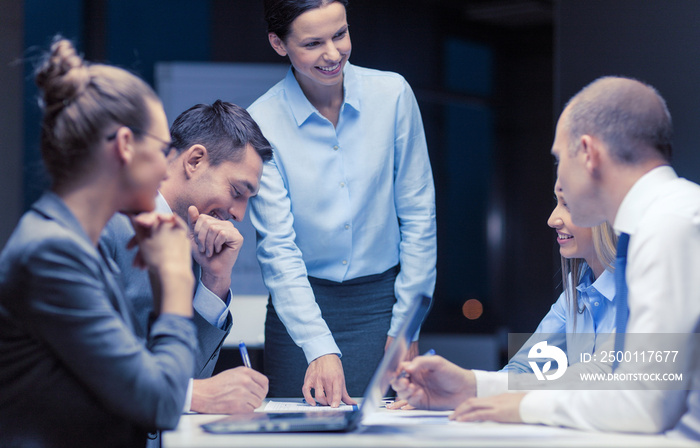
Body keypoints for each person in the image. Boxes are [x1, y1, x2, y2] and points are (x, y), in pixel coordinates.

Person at [393, 76, 700, 441]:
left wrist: (521, 407)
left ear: (588, 153)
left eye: (558, 159)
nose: (558, 184)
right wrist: (471, 386)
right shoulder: (670, 217)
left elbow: (643, 403)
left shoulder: (670, 225)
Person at [0, 37, 196, 447]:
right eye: (163, 149)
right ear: (125, 145)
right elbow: (159, 403)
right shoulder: (50, 253)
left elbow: (133, 387)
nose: (166, 167)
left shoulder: (75, 246)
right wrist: (177, 279)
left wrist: (163, 286)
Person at [247, 0, 437, 406]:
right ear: (279, 44)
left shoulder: (393, 95)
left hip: (381, 306)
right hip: (299, 308)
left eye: (340, 34)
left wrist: (408, 325)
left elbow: (419, 214)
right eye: (313, 43)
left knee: (382, 430)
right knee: (298, 431)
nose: (333, 54)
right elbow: (278, 246)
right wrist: (316, 344)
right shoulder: (261, 122)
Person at [101, 101, 272, 419]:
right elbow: (87, 364)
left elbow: (191, 376)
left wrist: (215, 282)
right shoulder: (106, 223)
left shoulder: (193, 246)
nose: (239, 214)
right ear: (194, 160)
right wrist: (191, 394)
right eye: (237, 191)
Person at [389, 179, 617, 409]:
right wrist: (458, 394)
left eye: (567, 205)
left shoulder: (640, 290)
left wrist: (470, 387)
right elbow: (525, 366)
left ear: (607, 210)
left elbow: (602, 375)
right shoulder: (577, 291)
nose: (552, 220)